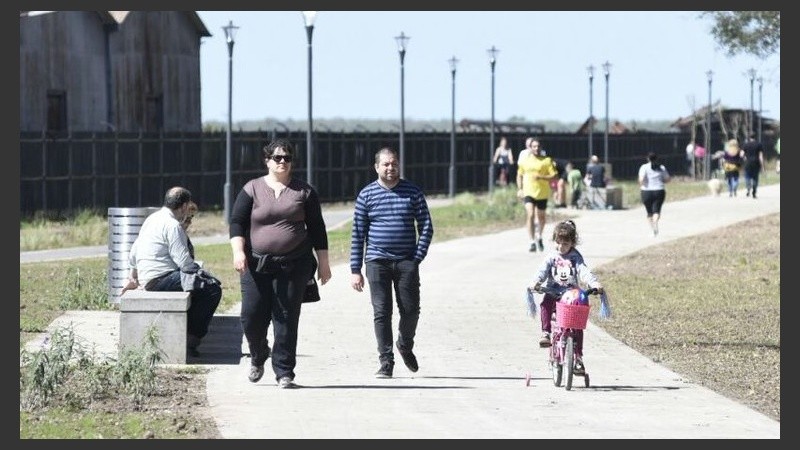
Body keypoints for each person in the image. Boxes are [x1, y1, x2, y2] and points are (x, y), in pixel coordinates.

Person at [229, 138, 332, 388]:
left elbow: (317, 228)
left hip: (293, 264)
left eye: (287, 158)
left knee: (286, 317)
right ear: (267, 161)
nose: (283, 162)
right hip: (256, 264)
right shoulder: (252, 189)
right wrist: (238, 252)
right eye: (277, 158)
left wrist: (324, 263)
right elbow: (237, 223)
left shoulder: (304, 192)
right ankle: (258, 354)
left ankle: (284, 372)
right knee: (251, 317)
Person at [349, 147, 434, 378]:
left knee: (411, 310)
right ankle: (386, 361)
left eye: (394, 163)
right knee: (381, 311)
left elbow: (426, 226)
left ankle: (405, 344)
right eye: (385, 164)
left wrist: (417, 257)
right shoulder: (366, 195)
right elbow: (358, 234)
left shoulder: (412, 192)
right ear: (376, 167)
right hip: (377, 261)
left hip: (407, 261)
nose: (390, 168)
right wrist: (355, 269)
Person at [124, 187, 222, 357]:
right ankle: (191, 339)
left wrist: (133, 276)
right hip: (162, 279)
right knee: (212, 289)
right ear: (184, 206)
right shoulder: (172, 225)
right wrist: (206, 275)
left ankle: (188, 331)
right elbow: (184, 263)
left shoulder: (152, 219)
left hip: (149, 278)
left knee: (201, 285)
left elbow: (134, 250)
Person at [529, 220, 604, 375]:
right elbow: (542, 271)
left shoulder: (575, 257)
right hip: (553, 291)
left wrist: (594, 283)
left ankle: (578, 358)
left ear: (572, 242)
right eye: (558, 243)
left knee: (577, 325)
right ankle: (546, 333)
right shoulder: (552, 257)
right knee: (545, 304)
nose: (561, 247)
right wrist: (536, 282)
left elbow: (584, 271)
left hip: (571, 293)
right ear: (554, 241)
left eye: (565, 243)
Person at [516, 139, 556, 252]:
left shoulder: (546, 161)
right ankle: (532, 241)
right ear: (530, 148)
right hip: (528, 191)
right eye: (534, 146)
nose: (536, 148)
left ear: (541, 147)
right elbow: (519, 175)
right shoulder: (525, 161)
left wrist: (542, 177)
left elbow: (553, 175)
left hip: (542, 192)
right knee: (530, 214)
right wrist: (519, 189)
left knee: (541, 217)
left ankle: (539, 236)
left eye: (538, 146)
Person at [638, 152, 671, 236]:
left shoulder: (644, 167)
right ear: (657, 159)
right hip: (659, 190)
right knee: (656, 209)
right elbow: (667, 179)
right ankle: (656, 221)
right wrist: (661, 181)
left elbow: (641, 180)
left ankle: (653, 229)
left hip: (646, 191)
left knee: (649, 212)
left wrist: (641, 184)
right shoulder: (661, 167)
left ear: (648, 159)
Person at [741, 133, 765, 199]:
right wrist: (762, 166)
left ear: (749, 137)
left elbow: (741, 154)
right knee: (755, 177)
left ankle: (748, 187)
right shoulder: (759, 144)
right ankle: (754, 191)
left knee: (747, 176)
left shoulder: (746, 144)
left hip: (748, 163)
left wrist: (744, 158)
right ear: (755, 137)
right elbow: (761, 156)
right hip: (756, 163)